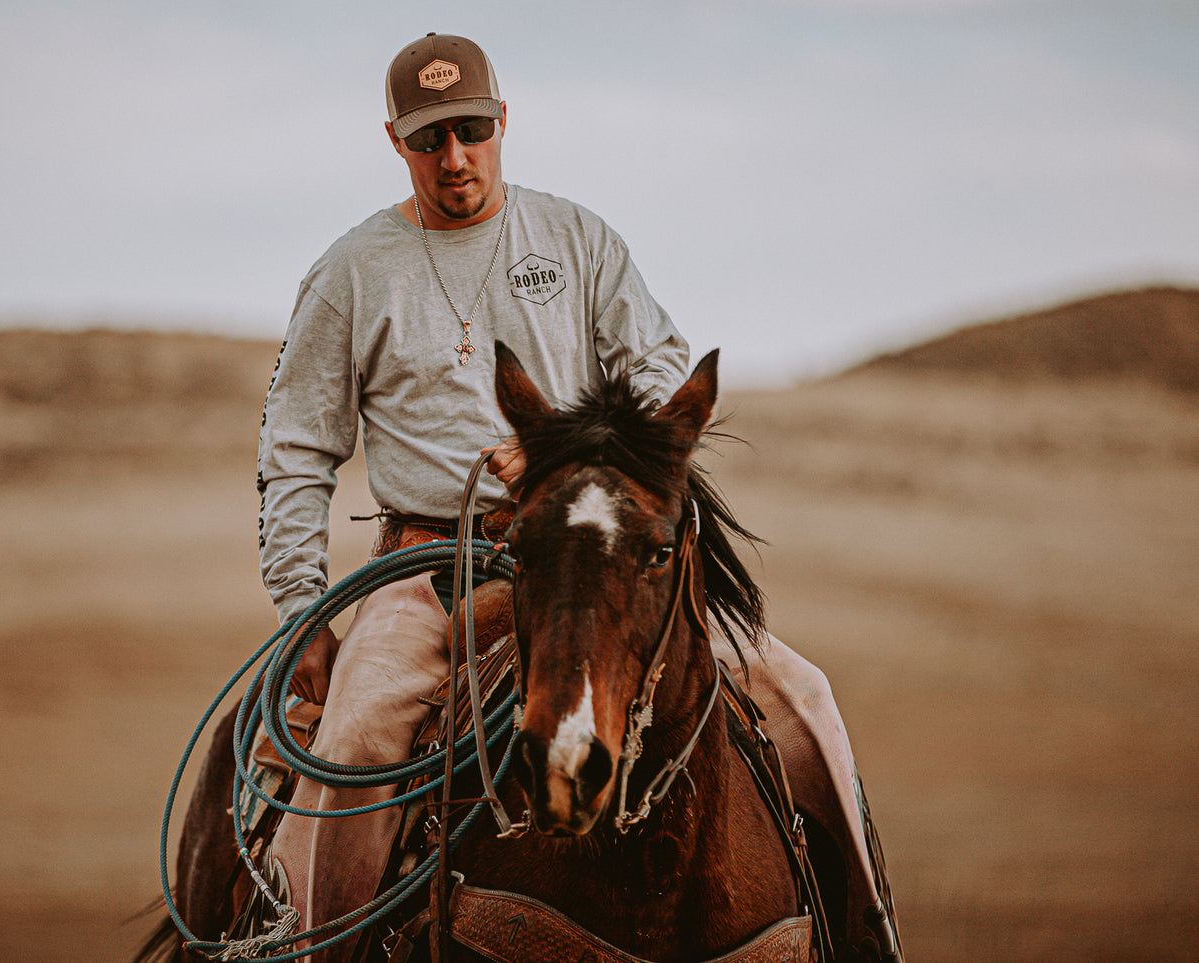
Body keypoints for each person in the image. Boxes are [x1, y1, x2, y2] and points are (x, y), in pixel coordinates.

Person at [255, 32, 899, 963]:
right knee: (355, 739)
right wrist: (297, 607)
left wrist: (567, 455)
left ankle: (870, 938)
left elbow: (662, 369)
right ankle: (313, 950)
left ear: (502, 122)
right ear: (396, 139)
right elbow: (295, 445)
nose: (454, 157)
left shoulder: (576, 239)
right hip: (427, 567)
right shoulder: (353, 269)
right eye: (430, 138)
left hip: (595, 551)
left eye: (471, 130)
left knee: (803, 694)